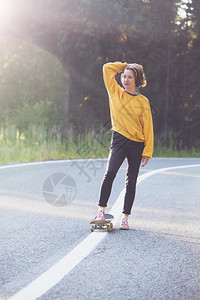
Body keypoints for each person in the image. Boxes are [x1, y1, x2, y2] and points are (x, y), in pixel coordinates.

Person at [95, 61, 154, 230]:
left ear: (137, 80)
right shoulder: (114, 92)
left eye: (130, 77)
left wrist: (147, 151)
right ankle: (101, 210)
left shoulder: (143, 101)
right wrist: (126, 65)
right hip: (119, 140)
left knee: (131, 181)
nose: (126, 80)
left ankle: (125, 217)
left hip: (137, 144)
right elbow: (107, 68)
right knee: (110, 172)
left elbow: (148, 127)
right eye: (124, 76)